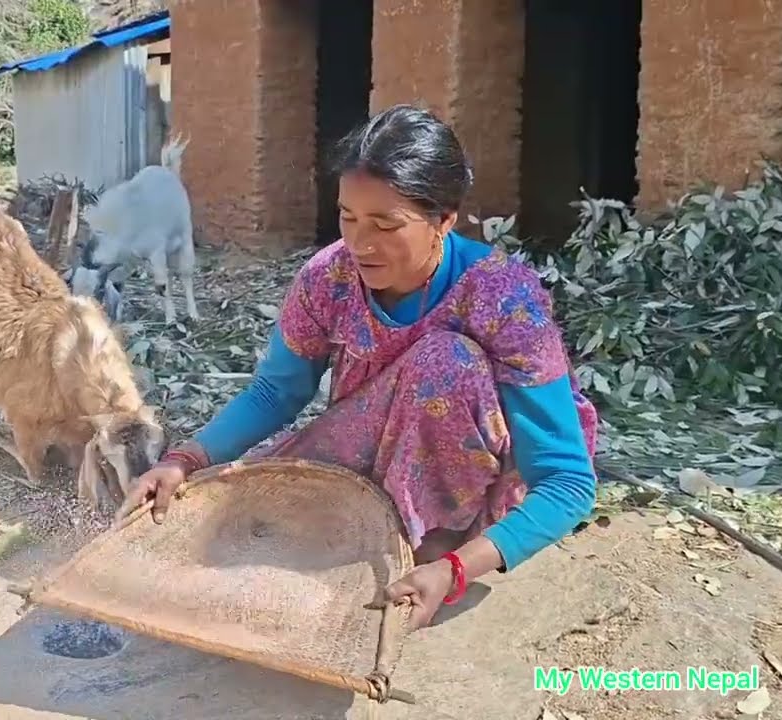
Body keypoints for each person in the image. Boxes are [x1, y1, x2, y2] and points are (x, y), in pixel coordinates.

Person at [119, 104, 600, 630]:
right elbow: (275, 393)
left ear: (444, 218)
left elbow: (566, 481)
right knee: (234, 526)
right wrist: (184, 459)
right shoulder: (329, 279)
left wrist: (458, 569)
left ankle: (428, 545)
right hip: (365, 455)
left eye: (386, 224)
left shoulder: (504, 298)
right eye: (348, 217)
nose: (360, 244)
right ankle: (361, 532)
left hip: (467, 493)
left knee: (446, 361)